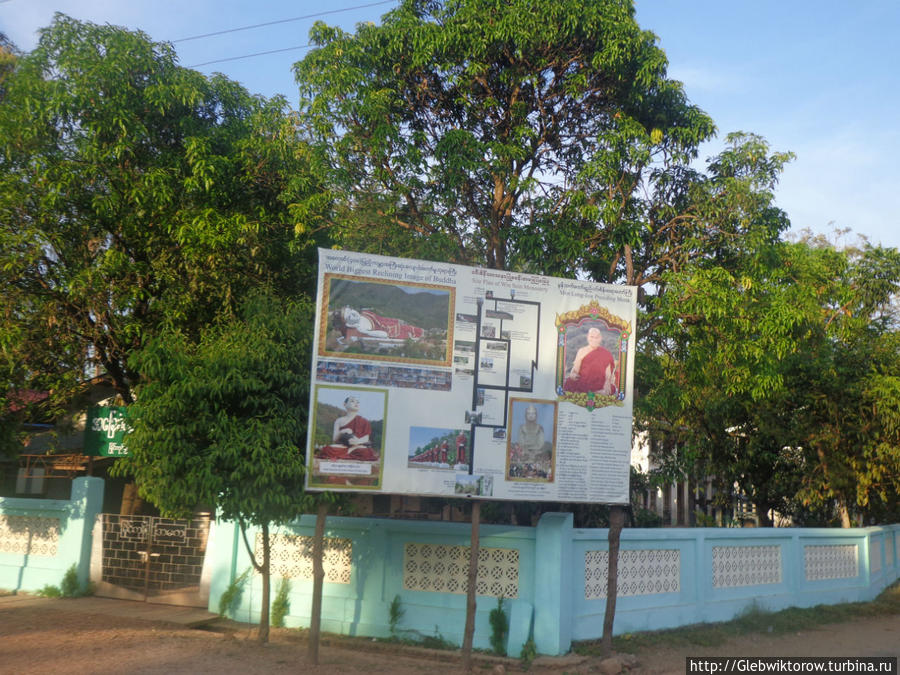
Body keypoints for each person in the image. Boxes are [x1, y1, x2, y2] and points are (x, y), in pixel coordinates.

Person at [316, 396, 379, 461]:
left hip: (357, 446)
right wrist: (342, 431)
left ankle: (347, 452)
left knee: (365, 452)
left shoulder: (364, 421)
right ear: (345, 404)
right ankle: (348, 452)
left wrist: (357, 442)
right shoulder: (339, 420)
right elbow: (334, 439)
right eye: (352, 401)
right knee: (328, 450)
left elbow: (366, 438)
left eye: (357, 402)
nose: (356, 403)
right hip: (343, 446)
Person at [563, 327, 617, 395]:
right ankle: (591, 393)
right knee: (569, 383)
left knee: (610, 389)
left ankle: (593, 393)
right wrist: (573, 375)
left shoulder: (606, 353)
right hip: (584, 382)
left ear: (600, 338)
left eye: (597, 337)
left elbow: (608, 373)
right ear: (588, 337)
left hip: (599, 384)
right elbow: (575, 371)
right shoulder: (582, 351)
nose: (594, 339)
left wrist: (607, 382)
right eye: (592, 337)